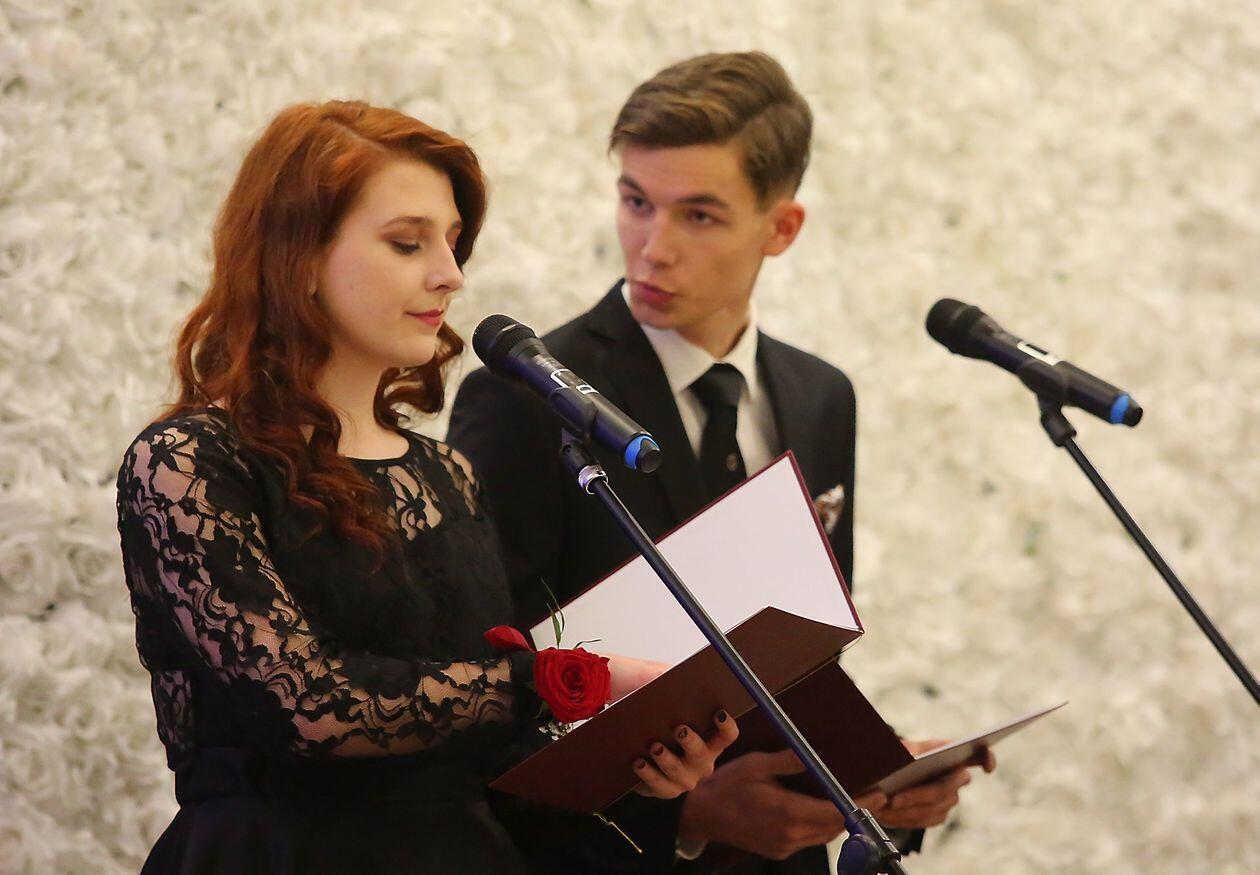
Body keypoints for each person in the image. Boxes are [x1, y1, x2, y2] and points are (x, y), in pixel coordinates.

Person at [115, 99, 739, 875]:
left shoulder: (446, 473)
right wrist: (560, 679)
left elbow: (491, 774)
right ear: (297, 257)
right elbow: (309, 706)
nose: (450, 274)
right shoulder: (190, 461)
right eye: (408, 242)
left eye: (452, 240)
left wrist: (637, 769)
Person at [448, 52, 994, 874]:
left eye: (698, 215)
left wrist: (875, 782)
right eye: (636, 201)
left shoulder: (821, 397)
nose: (652, 248)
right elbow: (485, 694)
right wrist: (691, 816)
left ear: (782, 228)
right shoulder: (526, 397)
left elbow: (801, 660)